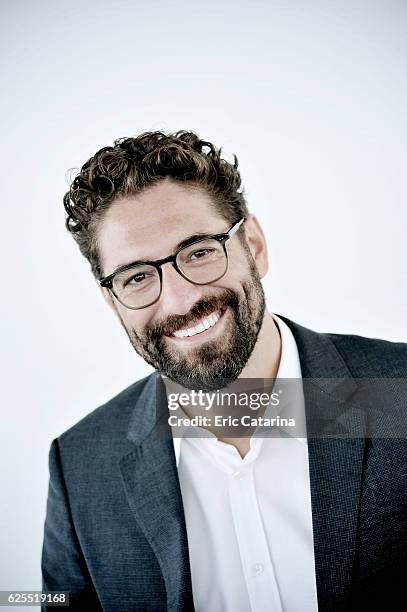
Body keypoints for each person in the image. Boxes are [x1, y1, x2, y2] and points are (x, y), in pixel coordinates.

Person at [42, 131, 407, 612]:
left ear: (253, 245)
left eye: (198, 251)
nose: (181, 300)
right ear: (112, 301)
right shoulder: (79, 466)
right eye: (136, 277)